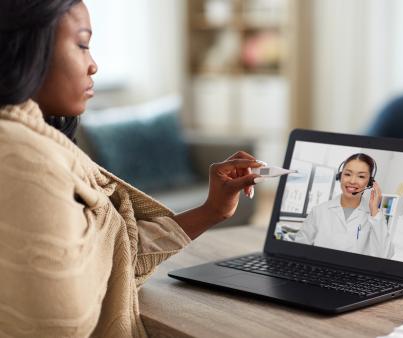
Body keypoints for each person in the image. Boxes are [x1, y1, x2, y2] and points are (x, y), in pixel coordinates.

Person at [0, 1, 263, 337]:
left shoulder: (40, 144)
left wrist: (212, 210)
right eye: (82, 44)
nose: (93, 65)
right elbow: (60, 313)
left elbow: (115, 258)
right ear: (24, 46)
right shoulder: (24, 159)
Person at [295, 153, 394, 259]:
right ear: (340, 176)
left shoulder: (375, 218)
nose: (352, 181)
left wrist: (375, 212)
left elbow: (385, 255)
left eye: (361, 176)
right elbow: (299, 249)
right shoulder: (319, 211)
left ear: (370, 182)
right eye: (347, 174)